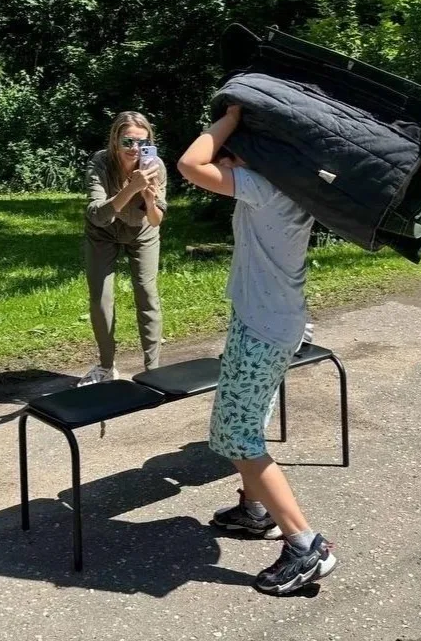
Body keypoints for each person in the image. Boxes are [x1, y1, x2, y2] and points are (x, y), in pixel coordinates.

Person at [177, 104, 337, 596]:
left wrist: (228, 117)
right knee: (252, 415)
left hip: (262, 327)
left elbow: (190, 164)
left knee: (237, 435)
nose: (231, 156)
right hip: (276, 320)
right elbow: (218, 169)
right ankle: (254, 509)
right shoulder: (291, 187)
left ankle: (305, 544)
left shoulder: (265, 189)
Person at [79, 110, 167, 384]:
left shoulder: (156, 166)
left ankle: (154, 370)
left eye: (142, 142)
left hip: (142, 231)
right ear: (115, 141)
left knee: (147, 293)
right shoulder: (100, 163)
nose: (135, 149)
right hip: (103, 232)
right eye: (128, 141)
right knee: (101, 298)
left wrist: (150, 199)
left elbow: (155, 219)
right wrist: (131, 187)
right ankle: (106, 366)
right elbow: (97, 214)